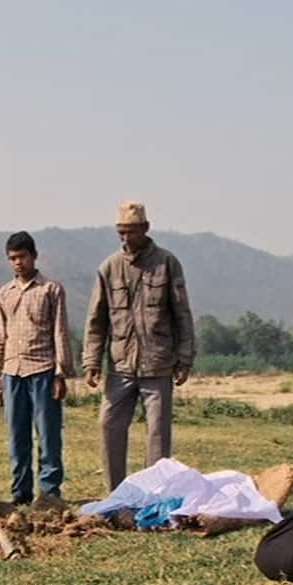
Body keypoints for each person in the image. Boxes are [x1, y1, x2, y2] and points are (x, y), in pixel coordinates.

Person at [82, 201, 195, 491]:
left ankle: (156, 494)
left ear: (145, 229)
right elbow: (97, 320)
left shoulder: (167, 263)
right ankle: (116, 493)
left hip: (158, 363)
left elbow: (182, 314)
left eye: (131, 232)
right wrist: (91, 361)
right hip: (120, 366)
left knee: (157, 434)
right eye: (121, 232)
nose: (125, 238)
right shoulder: (109, 268)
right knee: (109, 425)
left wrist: (184, 357)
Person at [0, 231, 75, 506]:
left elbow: (60, 332)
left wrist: (61, 373)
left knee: (48, 436)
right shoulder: (4, 293)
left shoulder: (51, 289)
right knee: (17, 437)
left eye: (22, 257)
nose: (18, 263)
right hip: (12, 372)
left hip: (43, 370)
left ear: (34, 256)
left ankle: (50, 493)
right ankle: (21, 493)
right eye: (12, 258)